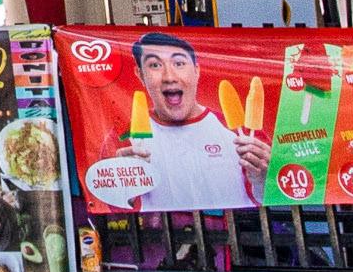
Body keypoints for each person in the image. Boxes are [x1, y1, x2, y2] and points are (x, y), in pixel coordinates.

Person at [106, 29, 265, 210]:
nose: (169, 77)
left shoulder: (243, 135)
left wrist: (264, 179)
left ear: (197, 71)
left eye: (179, 63)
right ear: (140, 75)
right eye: (155, 65)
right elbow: (110, 211)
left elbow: (273, 203)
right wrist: (122, 187)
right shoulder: (123, 140)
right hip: (160, 236)